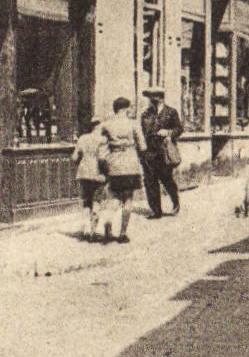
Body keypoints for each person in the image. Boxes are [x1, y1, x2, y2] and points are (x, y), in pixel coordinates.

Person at [102, 95, 147, 241]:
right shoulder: (133, 124)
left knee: (113, 197)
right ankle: (122, 233)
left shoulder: (106, 125)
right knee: (128, 199)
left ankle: (108, 222)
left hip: (114, 164)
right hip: (130, 164)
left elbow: (101, 146)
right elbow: (143, 146)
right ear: (126, 109)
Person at [139, 87, 183, 218]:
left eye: (154, 96)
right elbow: (142, 132)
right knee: (150, 181)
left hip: (164, 151)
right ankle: (156, 211)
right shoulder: (146, 114)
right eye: (150, 97)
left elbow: (179, 129)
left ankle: (175, 202)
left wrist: (168, 132)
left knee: (167, 179)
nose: (151, 99)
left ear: (161, 97)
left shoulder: (171, 112)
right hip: (149, 152)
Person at [71, 114, 109, 242]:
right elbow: (104, 159)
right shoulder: (103, 140)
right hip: (98, 174)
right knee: (97, 201)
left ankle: (86, 229)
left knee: (86, 201)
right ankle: (94, 231)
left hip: (83, 174)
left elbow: (74, 157)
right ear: (99, 126)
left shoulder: (83, 138)